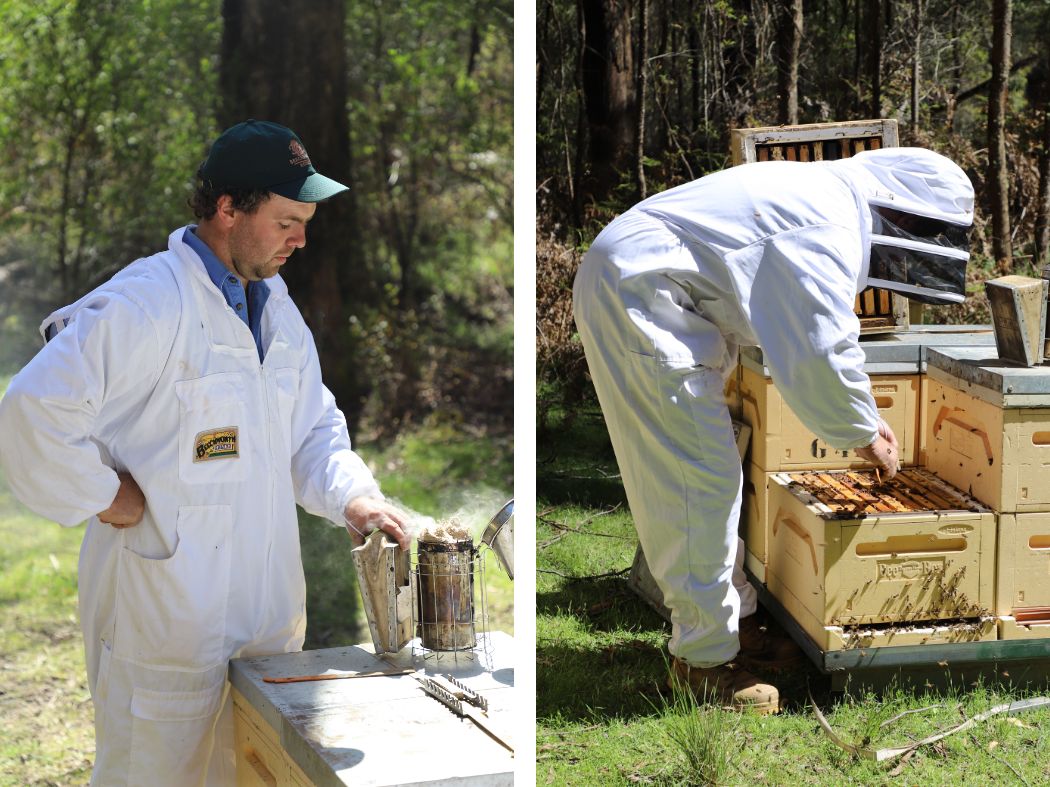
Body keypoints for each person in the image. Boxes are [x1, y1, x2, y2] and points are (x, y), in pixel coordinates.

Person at [0, 119, 412, 785]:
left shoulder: (274, 305)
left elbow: (311, 429)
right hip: (163, 627)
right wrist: (107, 495)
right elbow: (29, 411)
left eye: (304, 221)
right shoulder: (147, 302)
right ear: (228, 209)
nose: (301, 239)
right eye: (285, 220)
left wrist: (353, 497)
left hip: (266, 628)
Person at [572, 147, 974, 714]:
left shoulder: (821, 202)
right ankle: (705, 664)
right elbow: (820, 351)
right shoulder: (823, 222)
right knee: (697, 482)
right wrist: (863, 429)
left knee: (709, 478)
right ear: (902, 214)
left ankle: (737, 625)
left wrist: (857, 418)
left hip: (656, 292)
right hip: (642, 296)